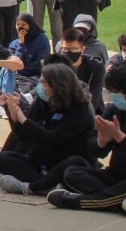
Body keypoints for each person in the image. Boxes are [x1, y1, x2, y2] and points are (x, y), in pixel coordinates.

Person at [0, 63, 95, 196]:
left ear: (57, 86)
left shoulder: (80, 110)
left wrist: (24, 119)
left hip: (66, 163)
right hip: (41, 163)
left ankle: (32, 187)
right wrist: (11, 111)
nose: (39, 87)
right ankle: (47, 185)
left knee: (74, 163)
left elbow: (52, 139)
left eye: (43, 83)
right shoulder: (42, 102)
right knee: (1, 158)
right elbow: (23, 137)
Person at [48, 63, 126, 211]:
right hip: (115, 175)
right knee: (72, 172)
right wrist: (101, 142)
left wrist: (119, 136)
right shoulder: (113, 110)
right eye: (113, 91)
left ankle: (80, 201)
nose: (115, 96)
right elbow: (94, 150)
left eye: (118, 91)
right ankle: (117, 202)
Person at [57, 28, 106, 115]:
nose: (68, 52)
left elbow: (93, 99)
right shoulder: (57, 66)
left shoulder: (96, 68)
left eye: (73, 49)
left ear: (82, 49)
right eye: (65, 49)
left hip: (89, 112)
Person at [7, 13, 50, 95]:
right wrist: (21, 44)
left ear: (30, 25)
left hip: (36, 74)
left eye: (23, 25)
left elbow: (42, 61)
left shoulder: (41, 38)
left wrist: (24, 69)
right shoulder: (14, 44)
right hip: (19, 77)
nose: (20, 27)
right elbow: (16, 63)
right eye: (18, 25)